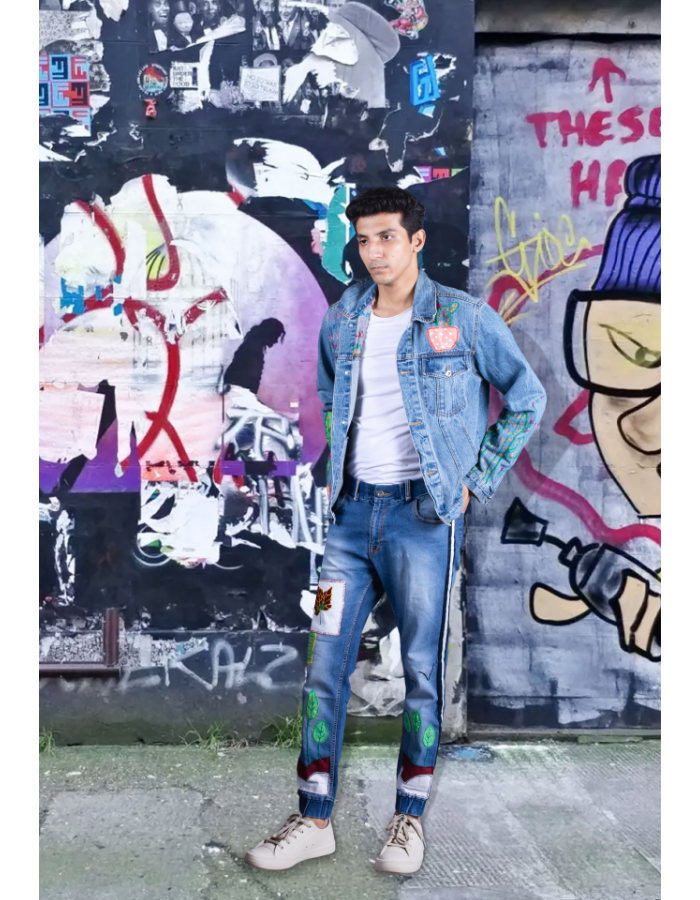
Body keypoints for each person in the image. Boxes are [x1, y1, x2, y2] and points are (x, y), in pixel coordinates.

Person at [244, 188, 547, 873]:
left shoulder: (462, 319)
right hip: (349, 524)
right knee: (323, 669)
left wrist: (475, 478)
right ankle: (313, 818)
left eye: (386, 237)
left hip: (424, 521)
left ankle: (408, 820)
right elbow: (332, 399)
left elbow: (526, 397)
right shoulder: (343, 321)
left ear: (416, 240)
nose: (373, 252)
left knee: (420, 674)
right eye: (364, 239)